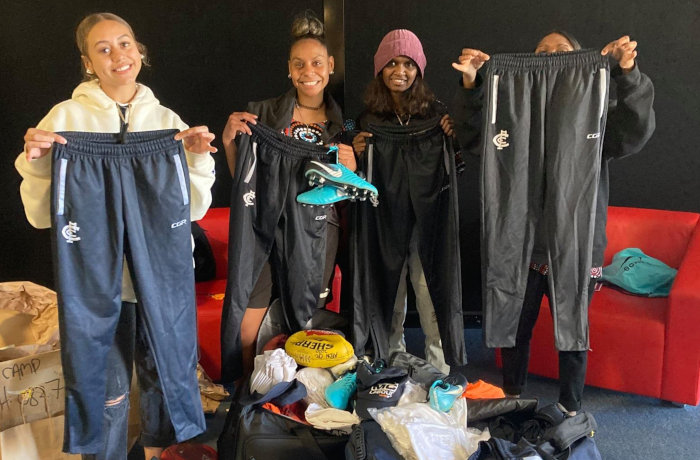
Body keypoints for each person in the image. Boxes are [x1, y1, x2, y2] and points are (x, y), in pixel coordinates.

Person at [15, 13, 216, 460]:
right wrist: (37, 162)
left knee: (165, 379)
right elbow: (40, 217)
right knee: (105, 390)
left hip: (163, 274)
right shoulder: (65, 119)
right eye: (103, 49)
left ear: (139, 50)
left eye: (124, 43)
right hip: (97, 278)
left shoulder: (165, 119)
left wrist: (198, 159)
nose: (118, 55)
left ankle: (161, 454)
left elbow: (193, 210)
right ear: (88, 62)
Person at [452, 31, 655, 414]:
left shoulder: (595, 113)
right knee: (516, 326)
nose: (550, 58)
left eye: (560, 52)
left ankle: (570, 409)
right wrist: (472, 84)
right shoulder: (516, 117)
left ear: (577, 61)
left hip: (577, 246)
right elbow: (476, 138)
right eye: (541, 52)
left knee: (573, 332)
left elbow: (634, 131)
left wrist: (627, 73)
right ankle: (512, 397)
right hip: (524, 248)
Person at [221, 12, 355, 379]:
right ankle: (250, 393)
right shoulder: (263, 113)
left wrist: (353, 166)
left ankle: (301, 394)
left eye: (317, 63)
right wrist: (231, 141)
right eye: (299, 64)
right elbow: (244, 180)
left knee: (306, 325)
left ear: (330, 65)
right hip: (266, 224)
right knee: (247, 326)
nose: (308, 71)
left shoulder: (345, 124)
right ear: (289, 70)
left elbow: (351, 193)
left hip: (316, 231)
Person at [352, 29, 461, 374]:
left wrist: (452, 136)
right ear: (380, 68)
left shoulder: (436, 113)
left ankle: (439, 367)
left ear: (419, 70)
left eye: (408, 64)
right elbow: (345, 135)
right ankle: (390, 361)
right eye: (392, 63)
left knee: (429, 288)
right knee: (389, 287)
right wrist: (353, 146)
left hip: (429, 214)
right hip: (383, 215)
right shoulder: (366, 117)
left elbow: (460, 160)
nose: (400, 71)